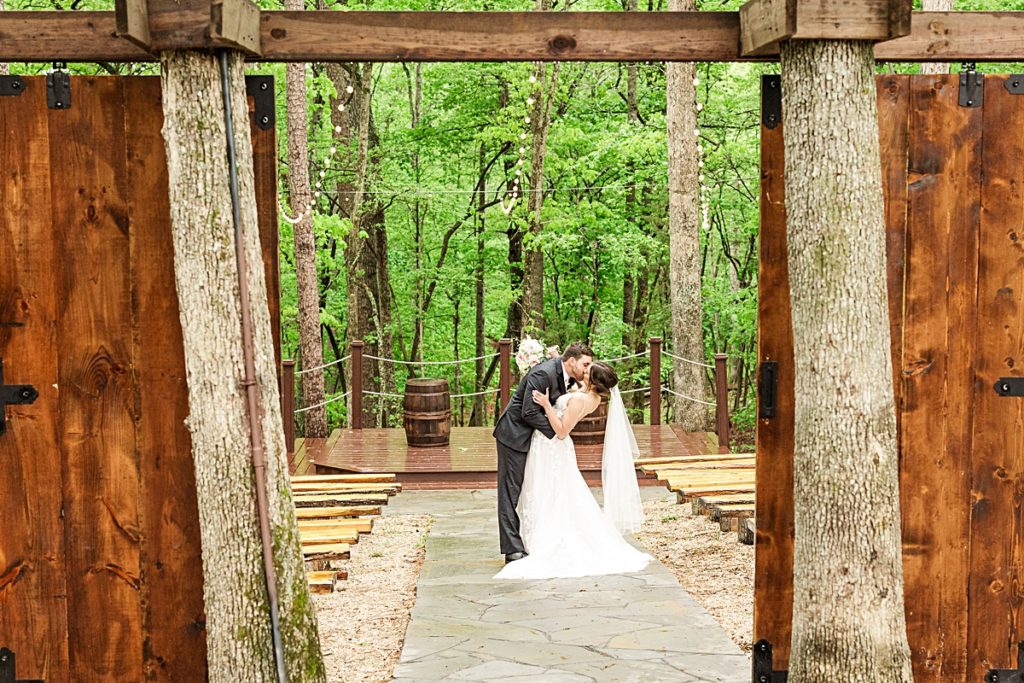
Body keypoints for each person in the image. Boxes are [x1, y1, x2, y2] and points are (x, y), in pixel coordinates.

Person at [494, 361, 651, 580]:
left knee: (549, 491)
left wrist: (547, 406)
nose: (583, 371)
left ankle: (544, 538)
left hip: (552, 447)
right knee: (549, 491)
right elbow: (570, 381)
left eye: (588, 370)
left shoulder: (580, 399)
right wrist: (551, 359)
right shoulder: (590, 397)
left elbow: (561, 431)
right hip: (547, 446)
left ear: (592, 380)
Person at [493, 342, 593, 563]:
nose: (587, 369)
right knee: (510, 492)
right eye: (585, 364)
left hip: (535, 440)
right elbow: (528, 411)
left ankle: (531, 539)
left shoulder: (567, 376)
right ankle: (512, 549)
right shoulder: (543, 374)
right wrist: (558, 432)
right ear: (571, 361)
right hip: (514, 436)